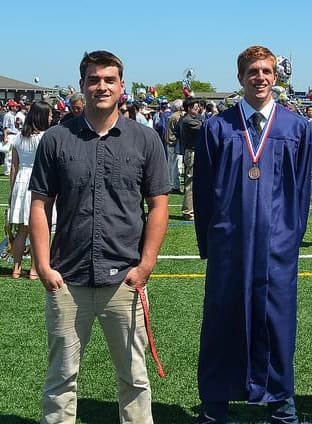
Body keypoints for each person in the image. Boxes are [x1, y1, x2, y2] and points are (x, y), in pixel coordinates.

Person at [29, 50, 170, 424]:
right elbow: (40, 204)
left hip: (125, 279)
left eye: (109, 79)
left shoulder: (145, 140)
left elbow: (158, 206)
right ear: (82, 85)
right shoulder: (56, 139)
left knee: (135, 379)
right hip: (68, 279)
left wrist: (146, 264)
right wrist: (42, 264)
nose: (101, 86)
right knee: (61, 378)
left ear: (122, 86)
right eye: (94, 79)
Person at [193, 45, 312, 424]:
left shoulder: (296, 128)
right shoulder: (218, 127)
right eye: (252, 71)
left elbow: (301, 192)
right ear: (240, 77)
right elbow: (202, 190)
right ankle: (215, 405)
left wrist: (291, 239)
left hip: (278, 248)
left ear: (276, 77)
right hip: (230, 247)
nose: (260, 77)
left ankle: (281, 405)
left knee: (278, 322)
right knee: (222, 322)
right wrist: (212, 241)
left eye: (267, 71)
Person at [8, 100, 52, 279]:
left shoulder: (18, 137)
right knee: (38, 228)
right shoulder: (44, 138)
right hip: (37, 183)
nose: (51, 118)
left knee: (21, 230)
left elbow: (14, 166)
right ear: (41, 116)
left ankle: (16, 268)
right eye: (48, 115)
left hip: (20, 182)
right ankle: (34, 270)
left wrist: (12, 191)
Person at [180, 97, 205, 220]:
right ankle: (188, 211)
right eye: (195, 108)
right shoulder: (188, 120)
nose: (198, 109)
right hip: (192, 152)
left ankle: (191, 210)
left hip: (195, 152)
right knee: (190, 184)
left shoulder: (191, 118)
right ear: (189, 108)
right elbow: (204, 127)